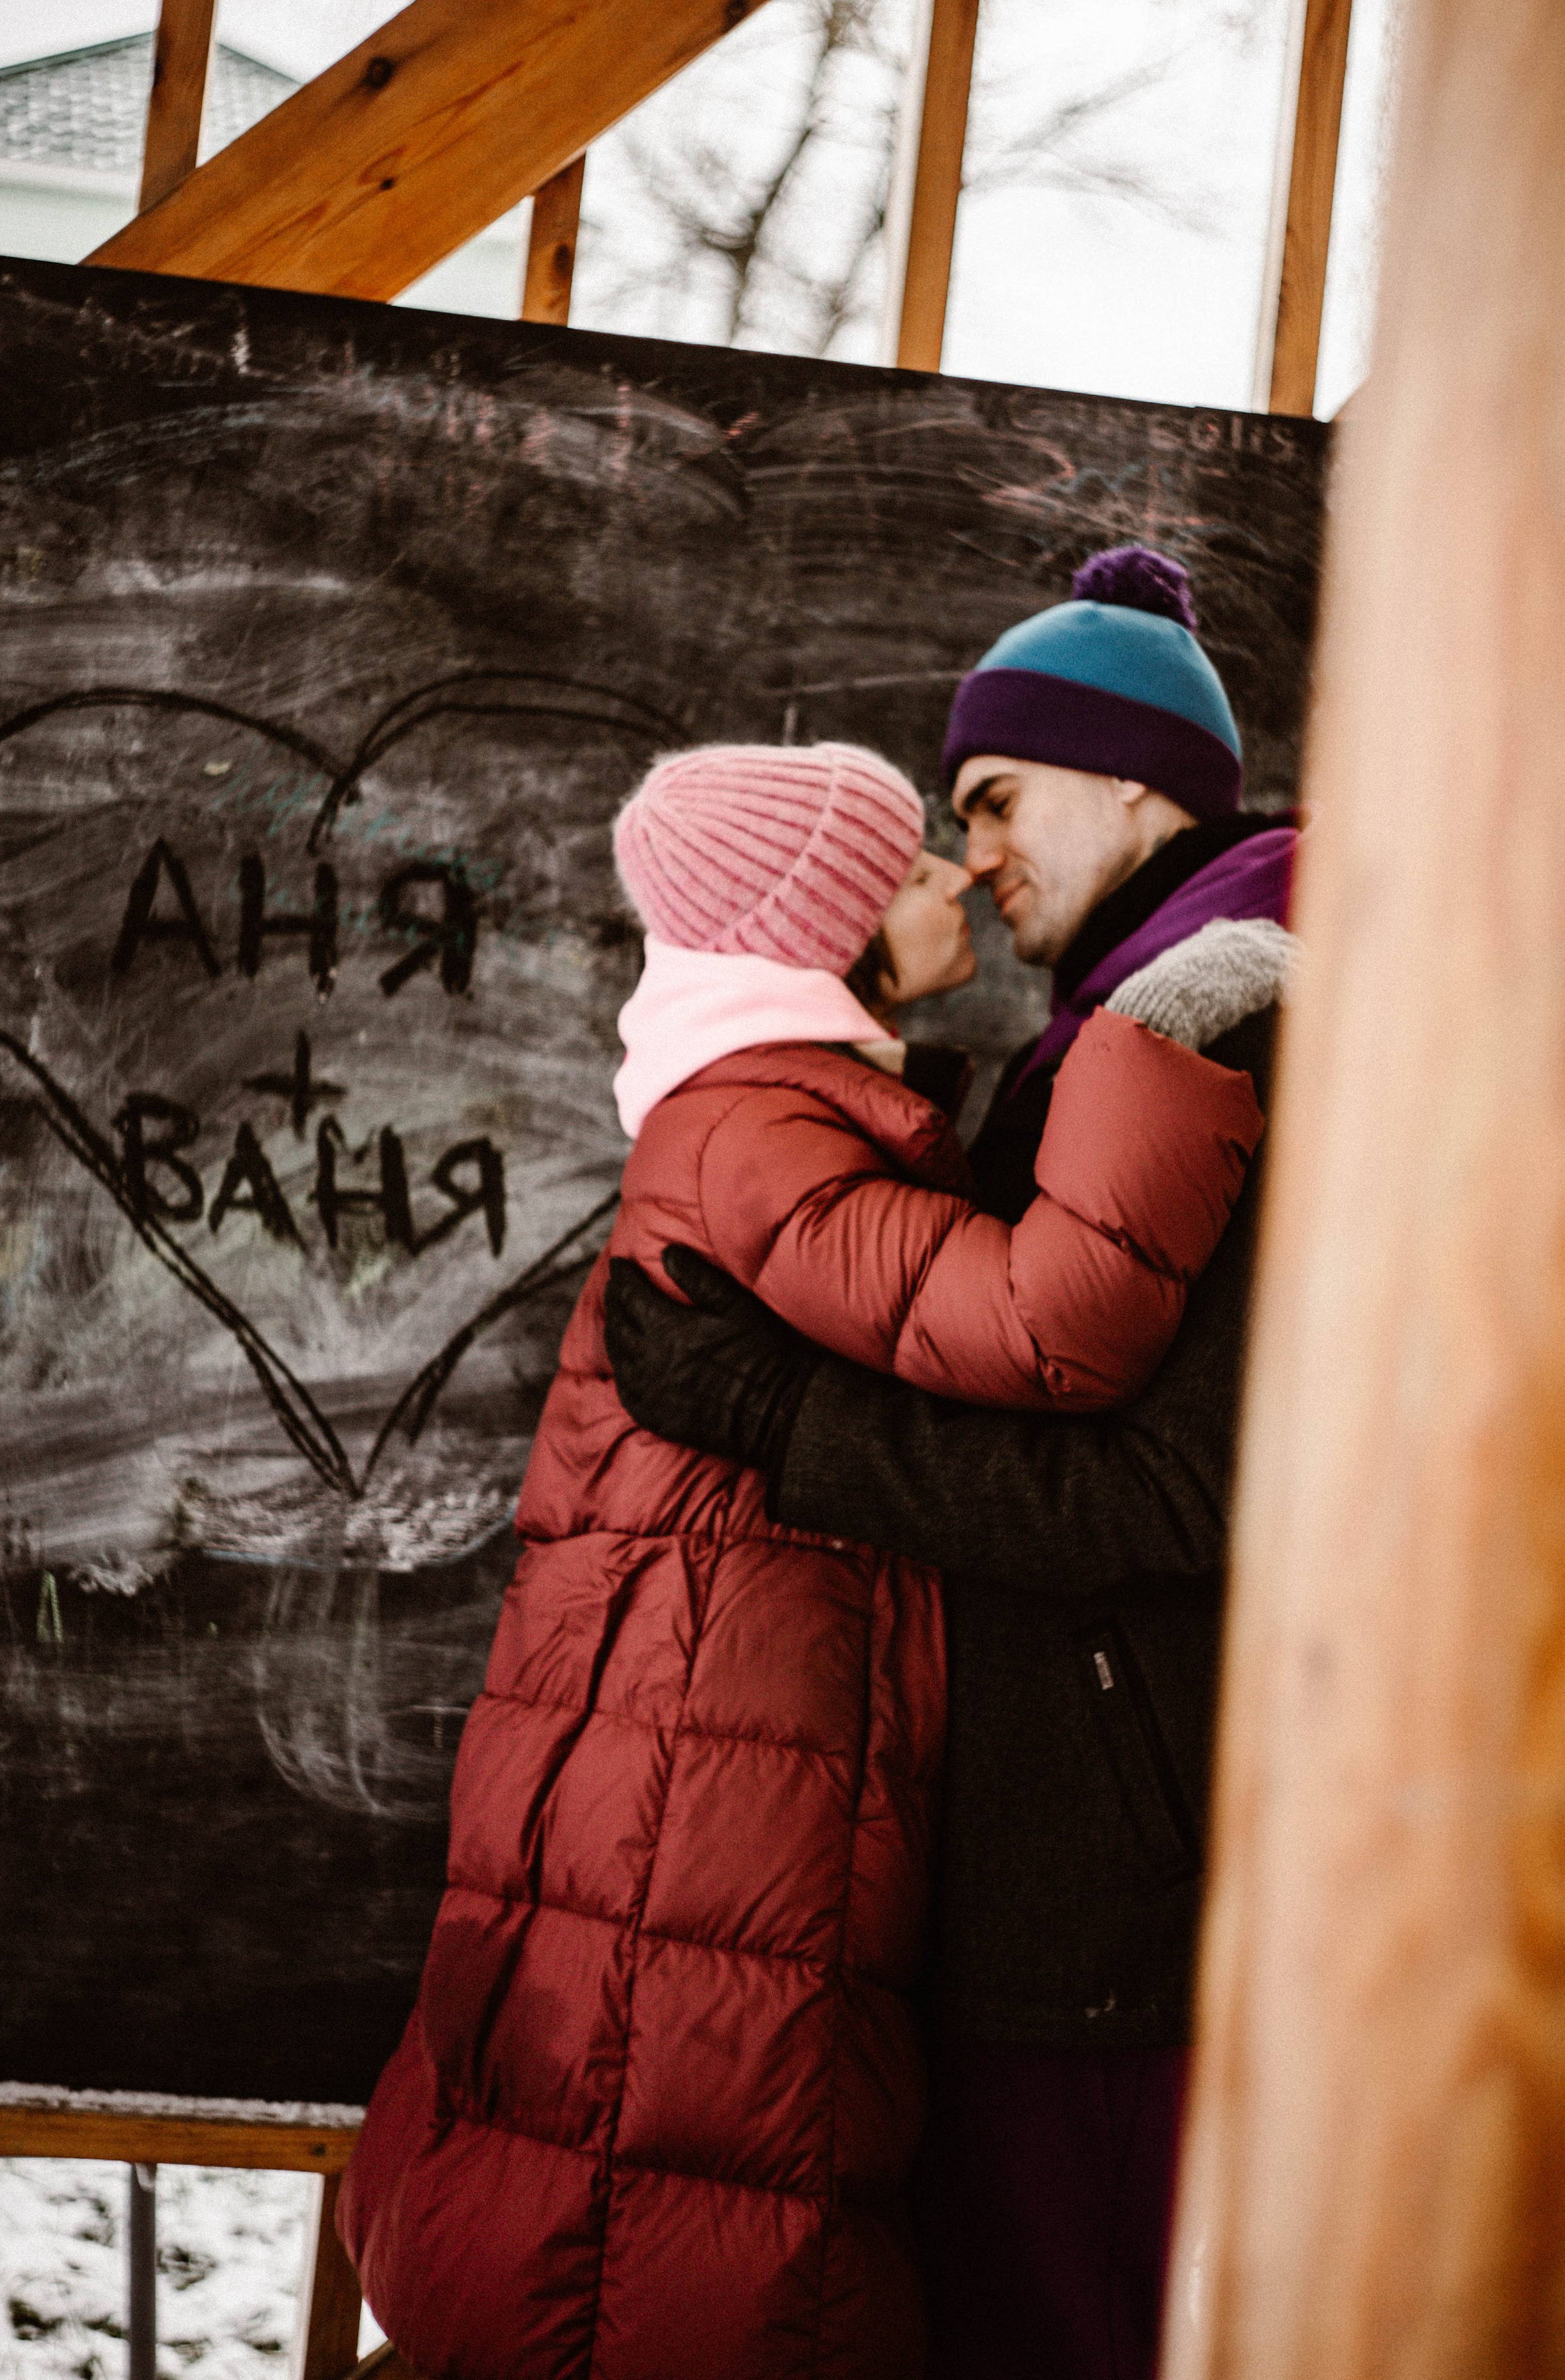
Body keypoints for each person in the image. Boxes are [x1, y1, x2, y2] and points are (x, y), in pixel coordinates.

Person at [339, 728, 1270, 2380]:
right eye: (908, 858)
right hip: (711, 1786)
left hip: (735, 1756)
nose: (951, 875)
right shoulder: (764, 1126)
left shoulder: (776, 1110)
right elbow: (1054, 1325)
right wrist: (1164, 1029)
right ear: (823, 923)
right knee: (666, 2211)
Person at [602, 546, 1299, 2380]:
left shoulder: (1236, 1033)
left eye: (996, 799)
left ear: (1135, 779)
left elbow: (1175, 1495)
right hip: (1056, 1869)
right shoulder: (1119, 1033)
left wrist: (774, 1416)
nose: (974, 855)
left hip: (1119, 1909)